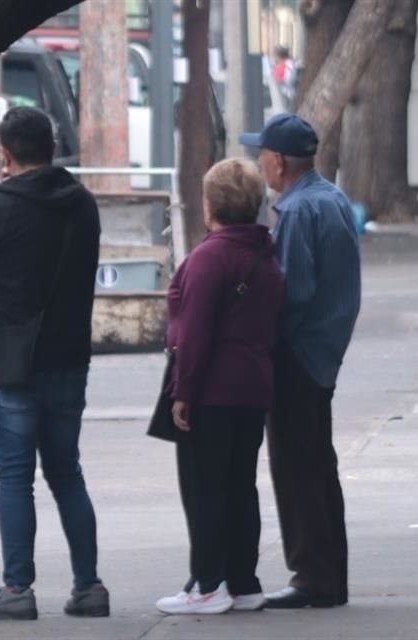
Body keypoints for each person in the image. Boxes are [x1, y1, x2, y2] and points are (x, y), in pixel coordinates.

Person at [0, 106, 108, 621]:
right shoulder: (83, 205)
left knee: (15, 475)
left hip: (12, 362)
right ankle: (89, 585)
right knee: (67, 472)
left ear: (5, 154)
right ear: (52, 145)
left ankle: (17, 587)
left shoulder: (2, 207)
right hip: (70, 358)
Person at [240, 113, 361, 609]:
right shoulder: (331, 199)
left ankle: (312, 575)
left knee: (296, 468)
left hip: (297, 354)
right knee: (318, 466)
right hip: (324, 351)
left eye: (262, 155)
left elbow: (290, 292)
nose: (260, 164)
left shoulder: (296, 211)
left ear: (277, 161)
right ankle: (328, 574)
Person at [154, 159, 283, 616]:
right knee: (239, 486)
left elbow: (195, 331)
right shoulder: (263, 252)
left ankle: (208, 583)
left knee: (203, 488)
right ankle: (242, 580)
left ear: (211, 204)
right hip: (253, 386)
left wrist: (182, 393)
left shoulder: (210, 257)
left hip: (210, 388)